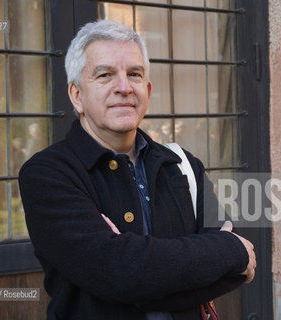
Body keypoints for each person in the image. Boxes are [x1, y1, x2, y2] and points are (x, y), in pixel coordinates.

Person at [18, 20, 256, 320]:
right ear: (76, 95)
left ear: (148, 89)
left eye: (134, 74)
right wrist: (222, 252)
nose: (124, 87)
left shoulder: (183, 165)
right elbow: (118, 273)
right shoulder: (47, 174)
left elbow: (234, 272)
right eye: (105, 75)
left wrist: (137, 271)